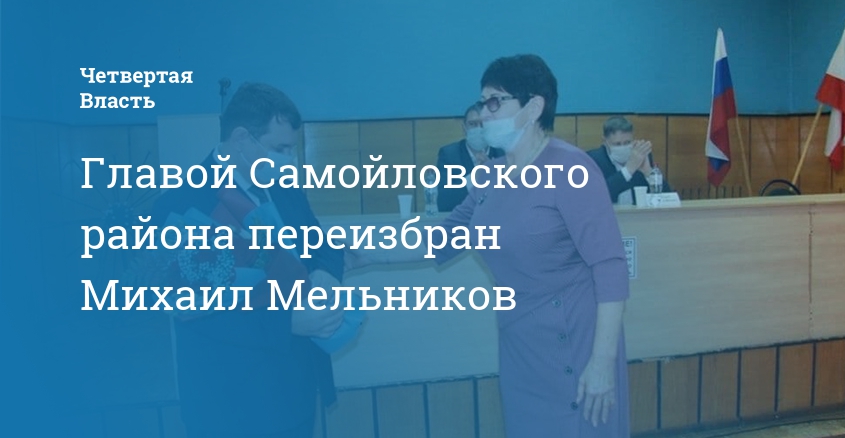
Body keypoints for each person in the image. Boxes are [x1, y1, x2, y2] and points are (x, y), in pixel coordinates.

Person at [348, 55, 630, 437]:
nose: (483, 113)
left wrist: (602, 363)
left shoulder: (571, 169)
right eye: (482, 103)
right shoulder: (490, 178)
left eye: (495, 101)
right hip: (521, 346)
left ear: (534, 107)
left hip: (575, 346)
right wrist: (364, 253)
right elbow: (439, 239)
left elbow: (609, 266)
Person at [151, 82, 345, 438]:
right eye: (280, 148)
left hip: (295, 390)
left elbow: (322, 245)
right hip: (230, 401)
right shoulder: (184, 203)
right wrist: (286, 321)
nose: (289, 159)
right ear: (241, 138)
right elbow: (191, 306)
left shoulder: (283, 188)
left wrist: (324, 271)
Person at [586, 116, 671, 205]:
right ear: (604, 141)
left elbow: (668, 198)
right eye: (617, 144)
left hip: (638, 213)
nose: (623, 147)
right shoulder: (593, 160)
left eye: (627, 142)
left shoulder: (640, 155)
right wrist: (628, 170)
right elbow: (596, 196)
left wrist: (648, 172)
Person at [435, 104, 504, 211]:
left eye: (483, 124)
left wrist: (495, 174)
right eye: (472, 124)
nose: (478, 129)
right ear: (464, 128)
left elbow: (513, 198)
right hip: (463, 219)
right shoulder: (449, 155)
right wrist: (474, 178)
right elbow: (443, 201)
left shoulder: (502, 153)